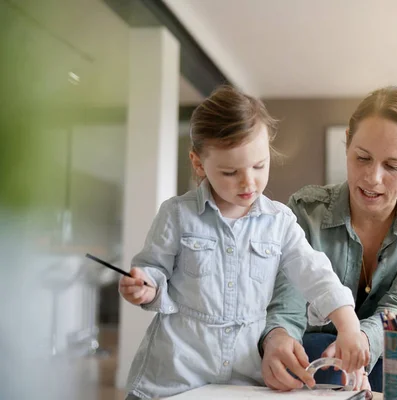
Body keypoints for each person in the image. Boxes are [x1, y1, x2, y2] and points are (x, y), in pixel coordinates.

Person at [118, 86, 369, 399]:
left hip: (241, 382)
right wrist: (145, 286)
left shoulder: (280, 222)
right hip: (174, 379)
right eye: (230, 172)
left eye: (259, 166)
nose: (249, 182)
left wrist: (349, 326)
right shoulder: (177, 214)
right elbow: (152, 270)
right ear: (199, 164)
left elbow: (316, 273)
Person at [260, 86, 397, 393]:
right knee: (319, 349)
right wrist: (278, 337)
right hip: (319, 348)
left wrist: (360, 341)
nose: (372, 178)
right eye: (362, 158)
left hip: (392, 343)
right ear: (347, 144)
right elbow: (289, 302)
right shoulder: (306, 210)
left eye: (392, 166)